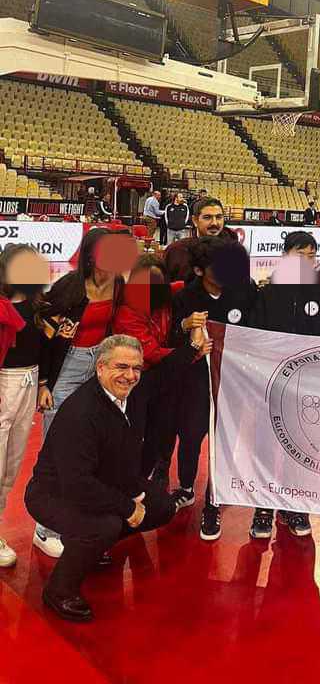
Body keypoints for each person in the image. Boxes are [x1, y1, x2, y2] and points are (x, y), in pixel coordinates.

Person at [25, 332, 210, 623]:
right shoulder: (81, 413)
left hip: (106, 481)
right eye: (121, 367)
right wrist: (127, 506)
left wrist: (194, 346)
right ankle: (59, 591)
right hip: (54, 494)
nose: (130, 375)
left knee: (161, 505)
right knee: (105, 525)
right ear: (100, 368)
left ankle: (93, 547)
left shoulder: (132, 391)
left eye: (136, 368)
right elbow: (77, 484)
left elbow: (166, 371)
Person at [33, 227, 126, 559]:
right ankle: (44, 529)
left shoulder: (119, 284)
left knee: (88, 450)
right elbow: (44, 337)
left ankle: (79, 520)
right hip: (66, 366)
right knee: (55, 450)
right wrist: (44, 384)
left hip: (98, 365)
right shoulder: (69, 287)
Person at [248, 231, 320, 540]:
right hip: (271, 384)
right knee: (266, 446)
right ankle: (263, 507)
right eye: (299, 255)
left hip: (307, 388)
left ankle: (294, 505)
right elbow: (253, 339)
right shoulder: (266, 294)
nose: (306, 261)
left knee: (299, 448)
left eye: (311, 256)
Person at [170, 236, 257, 541]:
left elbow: (259, 331)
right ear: (198, 270)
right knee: (191, 435)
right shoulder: (185, 298)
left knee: (223, 441)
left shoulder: (244, 291)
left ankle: (213, 501)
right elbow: (171, 339)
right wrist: (184, 326)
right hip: (195, 381)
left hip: (233, 381)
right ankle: (186, 487)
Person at [112, 255, 191, 485]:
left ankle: (158, 471)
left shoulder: (166, 295)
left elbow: (187, 286)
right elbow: (151, 352)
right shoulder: (127, 311)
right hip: (136, 379)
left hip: (163, 375)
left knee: (163, 429)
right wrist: (192, 352)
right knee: (135, 432)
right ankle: (130, 480)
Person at [0, 245, 45, 568]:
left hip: (29, 382)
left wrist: (43, 384)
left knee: (11, 467)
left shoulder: (38, 304)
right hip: (4, 382)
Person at [164, 197, 238, 282]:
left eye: (219, 217)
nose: (214, 223)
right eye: (207, 217)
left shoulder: (233, 251)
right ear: (195, 220)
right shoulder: (176, 251)